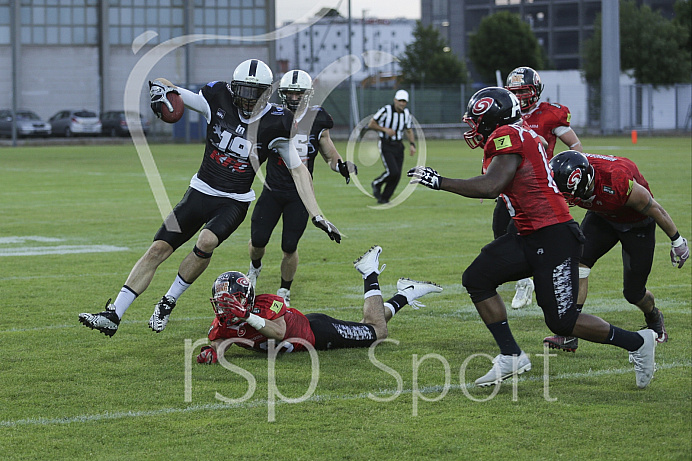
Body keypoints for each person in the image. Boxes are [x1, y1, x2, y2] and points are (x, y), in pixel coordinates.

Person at [407, 87, 657, 389]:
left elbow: (491, 186)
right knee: (477, 277)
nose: (472, 127)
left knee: (562, 322)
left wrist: (439, 181)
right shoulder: (519, 132)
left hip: (553, 236)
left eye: (476, 119)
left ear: (492, 118)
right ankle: (511, 354)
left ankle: (638, 342)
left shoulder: (508, 136)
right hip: (530, 233)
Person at [78, 59, 341, 337]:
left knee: (206, 241)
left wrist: (317, 214)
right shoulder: (217, 98)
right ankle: (113, 314)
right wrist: (159, 89)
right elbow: (170, 88)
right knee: (157, 249)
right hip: (200, 190)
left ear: (266, 93)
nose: (247, 99)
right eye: (242, 90)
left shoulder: (277, 122)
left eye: (254, 93)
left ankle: (168, 301)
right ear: (233, 87)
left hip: (234, 200)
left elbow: (299, 171)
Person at [543, 150, 689, 352]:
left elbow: (653, 207)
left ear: (584, 184)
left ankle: (654, 316)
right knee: (580, 263)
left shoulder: (617, 180)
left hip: (637, 223)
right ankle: (569, 333)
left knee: (633, 292)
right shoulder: (571, 170)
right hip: (603, 216)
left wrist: (677, 240)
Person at [196, 245, 442, 362]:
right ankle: (406, 294)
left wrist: (247, 315)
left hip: (319, 332)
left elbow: (279, 332)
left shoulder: (266, 303)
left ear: (247, 299)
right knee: (367, 325)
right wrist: (211, 355)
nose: (226, 308)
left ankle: (370, 272)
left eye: (231, 301)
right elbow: (219, 344)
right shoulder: (222, 324)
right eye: (222, 303)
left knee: (377, 332)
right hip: (310, 331)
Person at [247, 69, 357, 306]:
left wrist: (342, 167)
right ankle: (254, 268)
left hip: (300, 195)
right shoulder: (273, 115)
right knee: (258, 241)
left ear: (308, 95)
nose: (294, 98)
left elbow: (329, 155)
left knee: (290, 246)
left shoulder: (318, 118)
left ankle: (284, 290)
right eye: (289, 93)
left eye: (299, 94)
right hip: (273, 189)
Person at [499, 67, 584, 309]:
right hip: (509, 183)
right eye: (515, 92)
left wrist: (571, 176)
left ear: (535, 91)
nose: (520, 97)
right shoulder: (507, 113)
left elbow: (575, 145)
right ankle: (526, 278)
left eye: (523, 92)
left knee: (519, 230)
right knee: (500, 232)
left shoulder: (549, 115)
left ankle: (529, 279)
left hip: (537, 186)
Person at [368, 89, 416, 204]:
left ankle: (384, 198)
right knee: (392, 171)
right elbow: (371, 124)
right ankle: (377, 183)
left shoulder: (406, 114)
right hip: (386, 144)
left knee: (397, 175)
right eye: (400, 101)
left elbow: (409, 130)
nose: (402, 103)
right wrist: (384, 129)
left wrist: (412, 144)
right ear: (395, 100)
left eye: (404, 101)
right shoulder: (386, 110)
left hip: (399, 145)